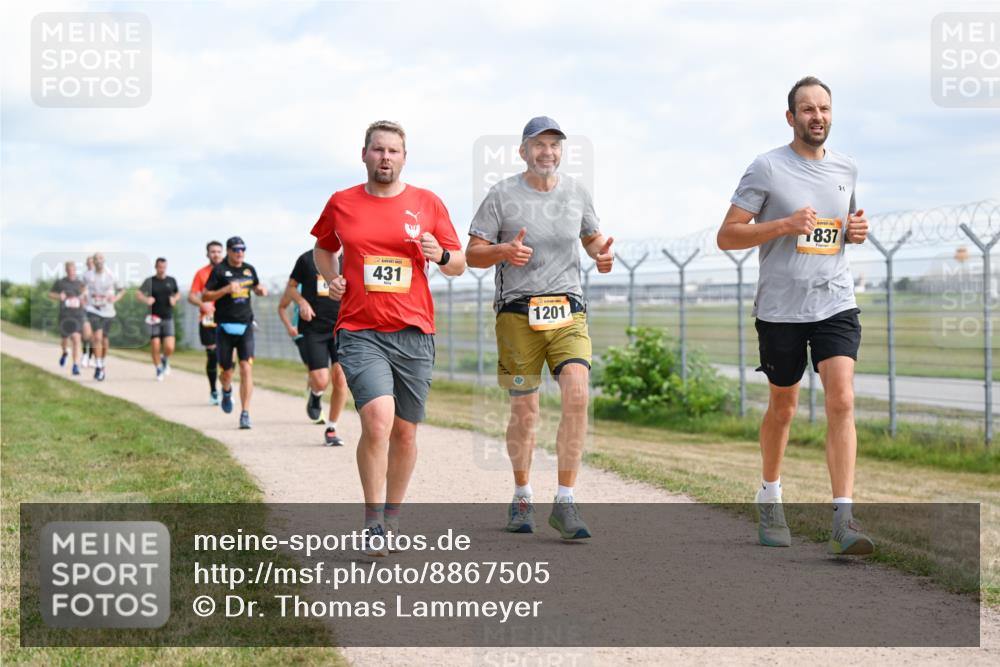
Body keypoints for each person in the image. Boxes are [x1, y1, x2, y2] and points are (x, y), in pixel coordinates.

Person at [716, 76, 872, 555]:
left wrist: (855, 231)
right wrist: (783, 225)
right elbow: (727, 236)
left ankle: (843, 519)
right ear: (791, 117)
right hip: (782, 309)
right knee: (783, 406)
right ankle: (770, 496)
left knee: (842, 399)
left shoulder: (846, 167)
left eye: (824, 108)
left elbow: (836, 230)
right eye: (807, 109)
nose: (817, 117)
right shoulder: (766, 168)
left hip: (835, 301)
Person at [311, 120, 465, 555]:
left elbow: (459, 266)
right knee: (377, 420)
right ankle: (373, 520)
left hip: (414, 331)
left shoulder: (427, 203)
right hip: (360, 329)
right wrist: (332, 276)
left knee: (405, 433)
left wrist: (444, 254)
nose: (385, 158)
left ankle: (393, 517)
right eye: (378, 150)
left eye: (393, 151)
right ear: (364, 155)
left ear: (403, 157)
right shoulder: (342, 203)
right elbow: (323, 248)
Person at [466, 116, 614, 540]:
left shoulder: (576, 193)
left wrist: (602, 256)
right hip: (517, 314)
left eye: (554, 145)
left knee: (578, 393)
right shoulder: (501, 195)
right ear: (523, 151)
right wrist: (503, 250)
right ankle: (523, 495)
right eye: (539, 145)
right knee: (525, 412)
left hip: (568, 310)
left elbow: (592, 241)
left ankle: (566, 500)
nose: (547, 152)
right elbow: (473, 253)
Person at [277, 249, 350, 446]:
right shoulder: (307, 258)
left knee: (341, 379)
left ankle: (332, 428)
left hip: (341, 327)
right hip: (313, 328)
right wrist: (301, 302)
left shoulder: (352, 256)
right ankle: (316, 396)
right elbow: (291, 288)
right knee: (320, 380)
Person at [201, 237, 267, 429]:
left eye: (243, 249)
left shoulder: (249, 269)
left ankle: (245, 413)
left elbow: (255, 286)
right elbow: (205, 295)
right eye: (236, 249)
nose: (240, 253)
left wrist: (260, 290)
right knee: (227, 372)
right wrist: (226, 289)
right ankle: (226, 390)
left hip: (245, 325)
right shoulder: (219, 270)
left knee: (246, 368)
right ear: (229, 251)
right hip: (224, 327)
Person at [188, 241, 226, 404]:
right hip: (207, 320)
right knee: (212, 355)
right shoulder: (201, 273)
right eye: (212, 252)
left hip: (227, 318)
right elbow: (192, 296)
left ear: (223, 253)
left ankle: (226, 388)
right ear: (207, 254)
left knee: (227, 358)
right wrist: (202, 304)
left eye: (218, 251)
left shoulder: (229, 272)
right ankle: (213, 392)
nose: (216, 254)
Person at [82, 252, 125, 381]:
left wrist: (115, 298)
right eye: (96, 259)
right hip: (93, 309)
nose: (99, 261)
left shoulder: (111, 275)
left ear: (104, 260)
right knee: (97, 337)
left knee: (104, 339)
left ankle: (102, 362)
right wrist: (83, 297)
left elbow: (122, 289)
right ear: (93, 262)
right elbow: (81, 287)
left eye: (101, 258)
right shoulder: (87, 275)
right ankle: (99, 365)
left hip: (108, 311)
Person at [137, 258, 181, 381]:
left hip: (168, 317)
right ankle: (158, 368)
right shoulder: (150, 281)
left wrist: (175, 299)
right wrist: (146, 300)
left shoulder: (171, 281)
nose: (162, 269)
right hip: (153, 318)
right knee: (155, 344)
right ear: (156, 267)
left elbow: (177, 293)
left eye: (164, 267)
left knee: (170, 347)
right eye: (160, 267)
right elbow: (138, 293)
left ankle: (165, 359)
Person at [47, 260, 88, 376]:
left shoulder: (80, 284)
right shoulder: (60, 282)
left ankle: (75, 365)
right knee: (65, 339)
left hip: (77, 315)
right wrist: (59, 296)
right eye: (69, 270)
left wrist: (83, 301)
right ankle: (65, 352)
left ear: (75, 270)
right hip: (65, 315)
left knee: (76, 338)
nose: (71, 272)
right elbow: (50, 294)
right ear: (66, 270)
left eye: (73, 269)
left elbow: (85, 299)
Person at [81, 255, 96, 367]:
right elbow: (81, 290)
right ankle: (84, 355)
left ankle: (90, 357)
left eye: (92, 262)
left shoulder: (100, 276)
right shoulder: (84, 276)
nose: (90, 264)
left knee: (93, 335)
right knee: (86, 334)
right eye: (89, 262)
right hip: (86, 308)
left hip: (96, 310)